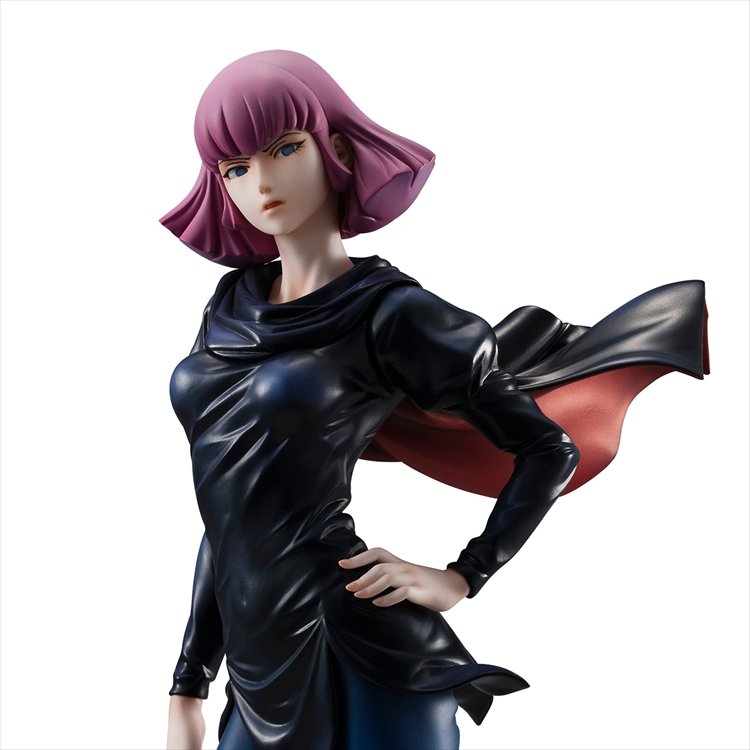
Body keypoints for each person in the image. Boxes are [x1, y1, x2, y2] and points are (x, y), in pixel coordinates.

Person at [160, 50, 707, 750]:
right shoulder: (228, 307)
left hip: (359, 647)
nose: (261, 182)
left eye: (285, 149)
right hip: (256, 665)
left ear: (337, 151)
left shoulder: (392, 313)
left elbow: (548, 447)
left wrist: (461, 577)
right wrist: (188, 681)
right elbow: (230, 510)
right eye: (236, 167)